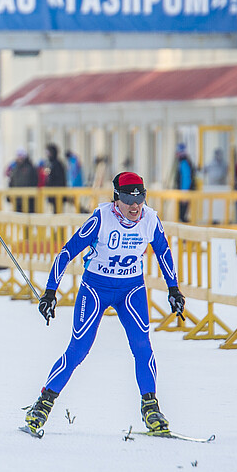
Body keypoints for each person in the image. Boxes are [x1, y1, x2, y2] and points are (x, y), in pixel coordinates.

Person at [22, 172, 186, 437]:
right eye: (127, 199)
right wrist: (50, 292)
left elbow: (164, 252)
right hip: (95, 289)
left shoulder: (150, 220)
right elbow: (67, 252)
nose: (135, 206)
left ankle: (151, 407)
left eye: (140, 199)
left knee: (142, 347)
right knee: (78, 350)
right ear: (116, 199)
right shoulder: (102, 218)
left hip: (131, 290)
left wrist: (174, 289)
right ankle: (43, 403)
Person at [7, 148, 38, 213]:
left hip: (29, 200)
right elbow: (11, 182)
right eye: (18, 155)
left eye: (21, 155)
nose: (19, 157)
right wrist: (9, 196)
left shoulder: (30, 168)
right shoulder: (15, 168)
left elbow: (35, 182)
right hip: (17, 199)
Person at [175, 143, 196, 223]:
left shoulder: (184, 163)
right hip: (183, 192)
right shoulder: (184, 161)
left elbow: (186, 178)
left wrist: (184, 194)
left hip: (184, 192)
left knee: (182, 215)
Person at [45, 143, 67, 213]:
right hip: (52, 194)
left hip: (58, 194)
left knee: (58, 212)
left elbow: (59, 180)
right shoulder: (50, 163)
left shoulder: (57, 164)